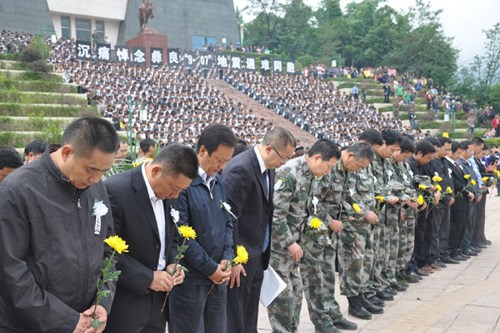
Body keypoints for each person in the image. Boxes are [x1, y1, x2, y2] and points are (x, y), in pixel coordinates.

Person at [0, 117, 119, 332]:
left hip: (83, 323)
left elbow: (109, 250)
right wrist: (66, 321)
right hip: (30, 325)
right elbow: (10, 269)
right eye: (91, 169)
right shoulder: (19, 190)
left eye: (104, 171)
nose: (96, 179)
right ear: (66, 153)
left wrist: (102, 303)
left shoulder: (96, 189)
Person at [105, 143, 199, 333]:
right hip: (125, 303)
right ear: (156, 171)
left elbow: (170, 238)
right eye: (174, 188)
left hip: (158, 304)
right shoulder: (117, 190)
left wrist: (172, 262)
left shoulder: (171, 193)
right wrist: (147, 277)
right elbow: (106, 251)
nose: (176, 195)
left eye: (181, 190)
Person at [268, 139, 357, 333]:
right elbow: (276, 215)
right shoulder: (289, 173)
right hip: (280, 245)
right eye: (328, 166)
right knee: (282, 296)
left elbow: (308, 208)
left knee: (296, 294)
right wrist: (290, 242)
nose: (328, 172)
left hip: (297, 243)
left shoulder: (310, 175)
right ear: (317, 158)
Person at [222, 127, 296, 333]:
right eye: (284, 157)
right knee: (235, 318)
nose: (285, 163)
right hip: (241, 258)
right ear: (270, 149)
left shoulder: (269, 168)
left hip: (257, 255)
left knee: (249, 315)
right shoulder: (241, 170)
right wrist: (234, 259)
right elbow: (229, 218)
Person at [169, 124, 237, 333]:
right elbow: (181, 233)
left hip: (218, 277)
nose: (222, 166)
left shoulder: (218, 182)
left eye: (227, 161)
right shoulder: (183, 183)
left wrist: (227, 258)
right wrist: (210, 269)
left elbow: (227, 223)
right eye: (219, 160)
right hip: (191, 281)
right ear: (202, 151)